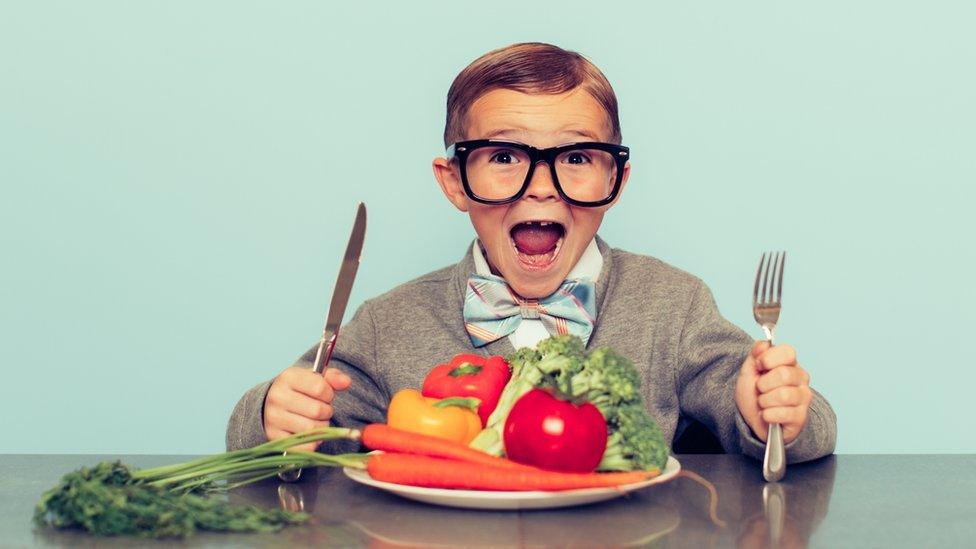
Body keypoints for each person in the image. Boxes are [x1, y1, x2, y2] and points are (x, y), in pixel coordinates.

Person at [226, 42, 836, 462]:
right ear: (453, 181)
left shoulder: (671, 304)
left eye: (575, 158)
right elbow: (279, 425)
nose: (541, 186)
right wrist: (274, 417)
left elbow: (796, 426)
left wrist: (773, 411)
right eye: (504, 157)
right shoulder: (390, 322)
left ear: (615, 181)